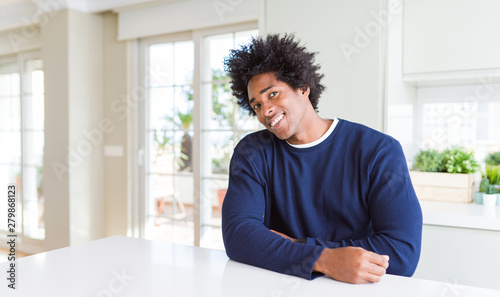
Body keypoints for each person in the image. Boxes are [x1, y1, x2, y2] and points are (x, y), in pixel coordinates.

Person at [221, 33, 422, 284]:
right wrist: (324, 259)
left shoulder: (379, 150)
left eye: (272, 94)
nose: (265, 111)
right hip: (281, 286)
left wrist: (298, 245)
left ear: (303, 87)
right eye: (256, 106)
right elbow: (238, 236)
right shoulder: (252, 152)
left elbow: (402, 253)